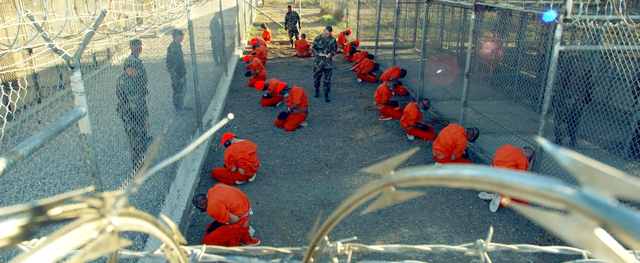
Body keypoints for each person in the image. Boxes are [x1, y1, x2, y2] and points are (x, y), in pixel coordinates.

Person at [117, 42, 151, 171]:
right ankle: (138, 166)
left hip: (136, 114)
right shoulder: (126, 81)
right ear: (129, 69)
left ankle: (140, 162)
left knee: (140, 139)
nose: (138, 72)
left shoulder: (131, 79)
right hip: (131, 115)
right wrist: (144, 119)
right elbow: (136, 103)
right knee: (136, 141)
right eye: (136, 70)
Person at [192, 183, 260, 246]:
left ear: (203, 204)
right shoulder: (217, 187)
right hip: (245, 212)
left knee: (206, 241)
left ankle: (237, 238)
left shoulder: (212, 206)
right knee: (210, 228)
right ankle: (245, 235)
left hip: (239, 222)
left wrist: (226, 222)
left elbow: (235, 219)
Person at [552, 51, 592, 148]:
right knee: (575, 118)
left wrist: (555, 94)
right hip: (580, 96)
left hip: (566, 95)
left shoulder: (567, 62)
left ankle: (559, 139)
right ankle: (573, 139)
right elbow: (590, 81)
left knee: (561, 118)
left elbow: (561, 80)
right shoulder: (586, 63)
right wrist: (588, 96)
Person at [478, 145, 535, 212]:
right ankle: (499, 196)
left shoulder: (506, 147)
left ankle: (495, 194)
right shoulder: (523, 159)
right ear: (528, 154)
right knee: (524, 199)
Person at [311, 26, 338, 102]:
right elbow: (313, 49)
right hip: (318, 62)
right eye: (326, 33)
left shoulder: (332, 40)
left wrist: (331, 54)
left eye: (328, 34)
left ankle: (326, 94)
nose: (327, 35)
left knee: (327, 79)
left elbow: (335, 50)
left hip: (327, 63)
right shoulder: (318, 38)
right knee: (317, 78)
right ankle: (317, 90)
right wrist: (317, 54)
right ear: (323, 31)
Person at [166, 29, 186, 111]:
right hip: (176, 73)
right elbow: (172, 62)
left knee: (182, 89)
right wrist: (178, 74)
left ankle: (181, 105)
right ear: (177, 36)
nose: (182, 37)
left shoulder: (178, 45)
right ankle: (178, 108)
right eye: (181, 35)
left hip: (180, 72)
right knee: (177, 90)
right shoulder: (172, 47)